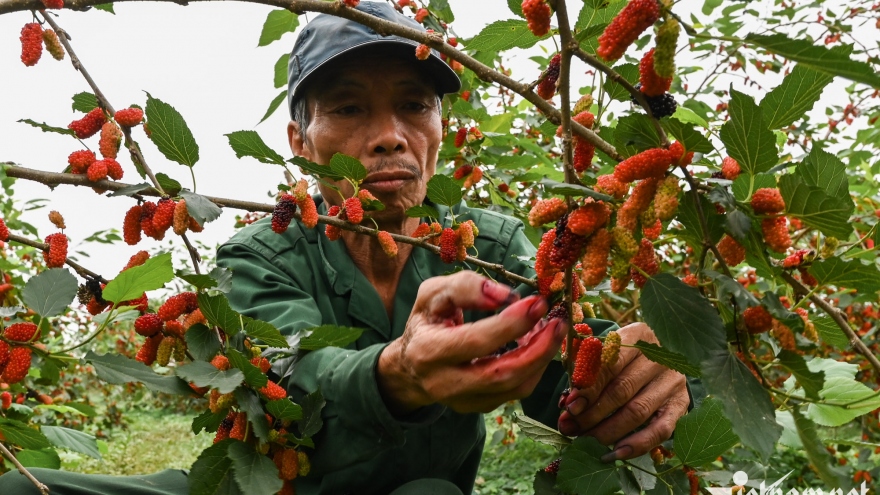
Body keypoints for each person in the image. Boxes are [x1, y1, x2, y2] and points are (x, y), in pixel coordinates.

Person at [0, 2, 689, 494]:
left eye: (415, 104)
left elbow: (572, 372)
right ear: (300, 142)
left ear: (442, 128)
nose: (390, 135)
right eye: (350, 107)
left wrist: (632, 380)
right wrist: (397, 371)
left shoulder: (494, 247)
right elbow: (285, 376)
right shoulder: (256, 254)